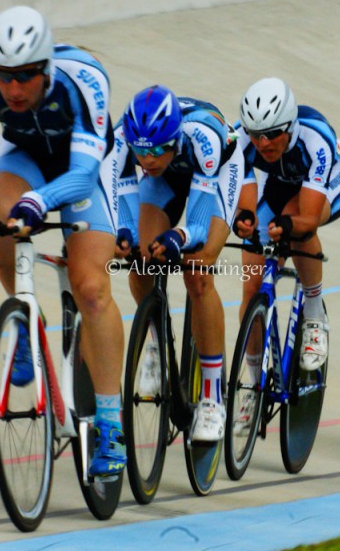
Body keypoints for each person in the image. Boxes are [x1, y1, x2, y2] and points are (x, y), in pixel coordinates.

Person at [0, 5, 126, 476]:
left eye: (25, 75)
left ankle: (111, 423)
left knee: (91, 289)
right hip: (24, 157)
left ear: (45, 66)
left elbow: (84, 174)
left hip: (84, 170)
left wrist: (39, 201)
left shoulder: (84, 78)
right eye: (3, 76)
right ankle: (25, 314)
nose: (13, 88)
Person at [116, 85, 244, 442]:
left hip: (217, 174)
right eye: (141, 151)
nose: (147, 160)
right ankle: (155, 345)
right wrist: (125, 237)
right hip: (170, 181)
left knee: (198, 273)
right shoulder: (123, 142)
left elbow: (200, 224)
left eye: (157, 150)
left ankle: (213, 398)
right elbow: (122, 203)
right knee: (142, 260)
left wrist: (177, 238)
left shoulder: (202, 137)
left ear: (174, 139)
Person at [233, 77, 340, 373]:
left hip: (330, 184)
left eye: (272, 134)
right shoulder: (240, 140)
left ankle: (314, 315)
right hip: (282, 181)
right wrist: (244, 218)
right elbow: (244, 194)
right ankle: (251, 381)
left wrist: (288, 226)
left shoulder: (315, 140)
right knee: (251, 289)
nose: (263, 143)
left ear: (289, 126)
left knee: (299, 228)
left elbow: (308, 218)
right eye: (256, 134)